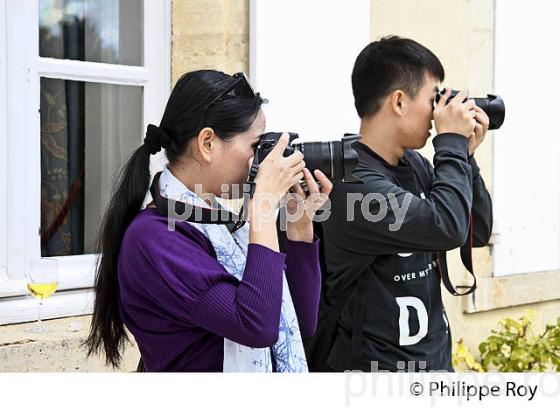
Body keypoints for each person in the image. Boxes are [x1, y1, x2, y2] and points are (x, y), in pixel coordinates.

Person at [84, 70, 332, 372]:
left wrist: (299, 225)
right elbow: (256, 326)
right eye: (256, 146)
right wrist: (263, 209)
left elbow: (301, 321)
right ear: (208, 144)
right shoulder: (154, 239)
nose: (263, 160)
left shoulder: (223, 224)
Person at [305, 36, 493, 372]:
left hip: (432, 371)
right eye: (434, 98)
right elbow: (445, 227)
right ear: (399, 102)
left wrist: (465, 157)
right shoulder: (353, 184)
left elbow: (475, 231)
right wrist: (450, 143)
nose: (439, 111)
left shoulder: (413, 165)